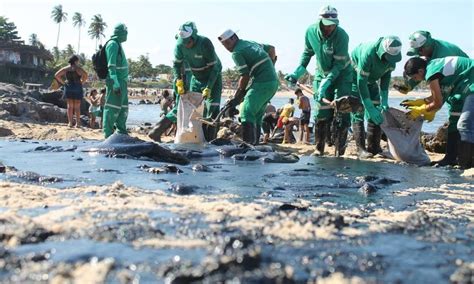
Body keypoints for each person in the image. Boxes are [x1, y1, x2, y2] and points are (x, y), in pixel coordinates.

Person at [285, 5, 352, 156]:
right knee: (321, 111)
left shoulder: (342, 36)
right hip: (321, 72)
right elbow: (307, 54)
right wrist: (298, 71)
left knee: (343, 108)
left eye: (333, 25)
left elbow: (339, 65)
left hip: (342, 74)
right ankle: (319, 148)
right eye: (327, 26)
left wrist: (327, 82)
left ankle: (340, 151)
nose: (330, 29)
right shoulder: (310, 32)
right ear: (320, 21)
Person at [395, 31, 469, 167]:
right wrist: (419, 98)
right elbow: (422, 73)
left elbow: (438, 100)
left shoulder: (440, 57)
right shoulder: (428, 61)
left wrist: (423, 110)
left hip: (466, 81)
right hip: (456, 82)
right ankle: (451, 157)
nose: (420, 53)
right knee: (454, 117)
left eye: (420, 50)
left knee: (465, 122)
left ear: (426, 46)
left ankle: (466, 161)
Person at [149, 22, 222, 142]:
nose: (186, 45)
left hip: (212, 76)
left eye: (188, 42)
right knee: (190, 108)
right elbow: (176, 66)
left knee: (212, 108)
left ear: (194, 37)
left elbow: (215, 68)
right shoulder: (179, 45)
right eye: (184, 42)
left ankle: (209, 141)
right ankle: (189, 136)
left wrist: (209, 87)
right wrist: (179, 82)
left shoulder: (205, 43)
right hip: (195, 77)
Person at [402, 56, 473, 169]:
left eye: (415, 77)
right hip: (465, 84)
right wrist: (420, 102)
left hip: (471, 85)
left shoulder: (431, 73)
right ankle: (452, 158)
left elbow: (438, 103)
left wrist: (420, 110)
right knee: (455, 120)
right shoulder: (434, 66)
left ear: (420, 71)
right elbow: (438, 95)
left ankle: (467, 165)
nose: (416, 80)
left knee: (465, 125)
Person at [219, 29, 278, 145]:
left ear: (234, 37)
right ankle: (255, 143)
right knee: (256, 114)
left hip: (263, 82)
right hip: (273, 82)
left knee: (245, 111)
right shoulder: (250, 43)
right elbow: (271, 48)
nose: (226, 47)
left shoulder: (237, 52)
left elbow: (244, 76)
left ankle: (248, 144)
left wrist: (238, 95)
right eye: (223, 45)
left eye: (227, 43)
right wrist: (271, 65)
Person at [350, 36, 403, 157]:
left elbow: (385, 77)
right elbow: (361, 82)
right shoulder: (368, 54)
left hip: (371, 80)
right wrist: (368, 106)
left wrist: (384, 99)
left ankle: (374, 147)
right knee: (358, 111)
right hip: (355, 79)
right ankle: (361, 150)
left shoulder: (392, 60)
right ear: (383, 51)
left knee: (377, 110)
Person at [103, 23, 129, 138]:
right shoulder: (112, 44)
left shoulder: (118, 44)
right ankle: (108, 134)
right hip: (116, 81)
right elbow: (111, 66)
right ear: (120, 32)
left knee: (123, 108)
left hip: (122, 82)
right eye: (125, 32)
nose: (127, 34)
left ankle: (121, 132)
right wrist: (115, 82)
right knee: (112, 107)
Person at [54, 55, 88, 128]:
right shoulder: (79, 69)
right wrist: (82, 82)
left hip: (69, 86)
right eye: (77, 61)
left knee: (70, 106)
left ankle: (70, 123)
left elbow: (56, 75)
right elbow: (86, 75)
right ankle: (78, 123)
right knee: (77, 106)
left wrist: (63, 82)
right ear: (75, 61)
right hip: (77, 87)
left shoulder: (66, 69)